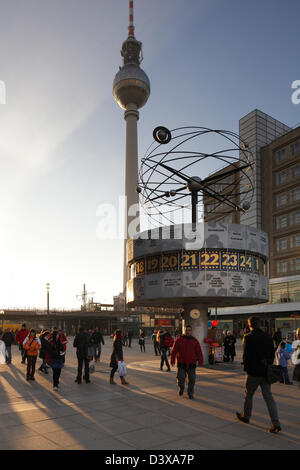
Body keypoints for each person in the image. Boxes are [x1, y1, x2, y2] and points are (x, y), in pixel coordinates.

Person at [236, 316, 281, 433]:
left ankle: (246, 416)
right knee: (268, 397)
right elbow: (272, 354)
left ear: (250, 325)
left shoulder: (248, 337)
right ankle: (276, 423)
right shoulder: (268, 337)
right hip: (265, 372)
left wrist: (247, 368)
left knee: (249, 394)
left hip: (253, 372)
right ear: (260, 324)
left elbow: (246, 356)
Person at [171, 325, 203, 399]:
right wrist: (172, 359)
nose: (188, 331)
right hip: (181, 362)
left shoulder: (194, 340)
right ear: (184, 331)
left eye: (189, 330)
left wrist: (200, 360)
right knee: (180, 378)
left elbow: (199, 351)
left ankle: (190, 393)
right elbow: (174, 350)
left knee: (192, 379)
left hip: (191, 363)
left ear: (191, 331)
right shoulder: (179, 339)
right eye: (186, 330)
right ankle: (181, 388)